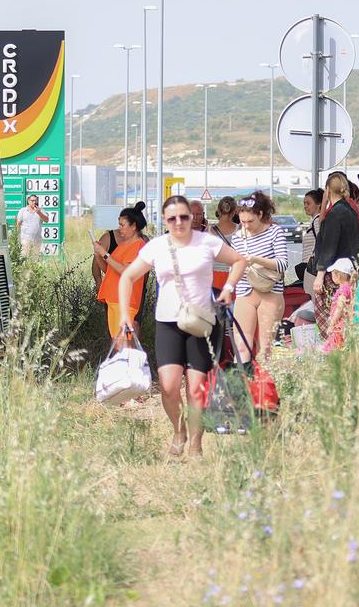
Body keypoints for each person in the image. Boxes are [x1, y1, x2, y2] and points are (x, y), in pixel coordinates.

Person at [117, 195, 247, 459]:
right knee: (168, 385)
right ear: (165, 220)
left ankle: (196, 442)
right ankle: (179, 431)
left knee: (195, 387)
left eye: (184, 217)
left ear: (193, 218)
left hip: (201, 322)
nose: (179, 222)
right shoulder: (157, 246)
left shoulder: (207, 242)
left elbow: (239, 261)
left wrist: (229, 290)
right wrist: (124, 314)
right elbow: (128, 277)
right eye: (172, 218)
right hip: (167, 322)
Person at [229, 191, 291, 364]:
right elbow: (234, 265)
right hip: (245, 292)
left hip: (270, 292)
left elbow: (282, 264)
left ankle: (265, 388)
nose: (246, 226)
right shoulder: (237, 237)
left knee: (266, 348)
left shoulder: (275, 232)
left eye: (250, 221)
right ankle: (242, 386)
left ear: (261, 215)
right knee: (242, 345)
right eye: (242, 222)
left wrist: (255, 260)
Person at [313, 173, 359, 333]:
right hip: (348, 270)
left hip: (334, 273)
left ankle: (331, 345)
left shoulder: (334, 214)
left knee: (329, 314)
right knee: (344, 313)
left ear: (327, 190)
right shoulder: (351, 211)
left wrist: (320, 275)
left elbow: (328, 246)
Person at [94, 202, 149, 337]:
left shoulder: (139, 245)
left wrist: (105, 254)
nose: (119, 229)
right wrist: (98, 254)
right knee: (116, 341)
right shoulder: (124, 245)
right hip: (113, 299)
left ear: (134, 226)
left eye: (122, 225)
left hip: (125, 302)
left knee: (124, 343)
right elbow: (109, 270)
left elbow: (126, 271)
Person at [321, 257, 357, 352]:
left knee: (334, 349)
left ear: (338, 275)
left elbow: (339, 308)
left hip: (339, 325)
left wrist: (332, 324)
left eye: (332, 273)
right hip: (346, 323)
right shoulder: (350, 288)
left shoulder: (343, 290)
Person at [211, 195, 240, 292]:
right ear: (234, 212)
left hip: (213, 277)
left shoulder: (208, 230)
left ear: (218, 211)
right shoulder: (240, 229)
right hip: (234, 277)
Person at [298, 188, 323, 285]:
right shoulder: (314, 221)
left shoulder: (317, 221)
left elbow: (320, 241)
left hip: (312, 268)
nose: (305, 206)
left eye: (308, 203)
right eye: (304, 204)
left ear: (318, 204)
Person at [16, 194, 45, 259]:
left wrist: (39, 213)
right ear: (28, 201)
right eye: (32, 201)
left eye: (35, 201)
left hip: (37, 239)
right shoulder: (23, 211)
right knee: (24, 258)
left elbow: (46, 220)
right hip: (25, 239)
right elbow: (18, 223)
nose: (34, 202)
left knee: (36, 259)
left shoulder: (41, 210)